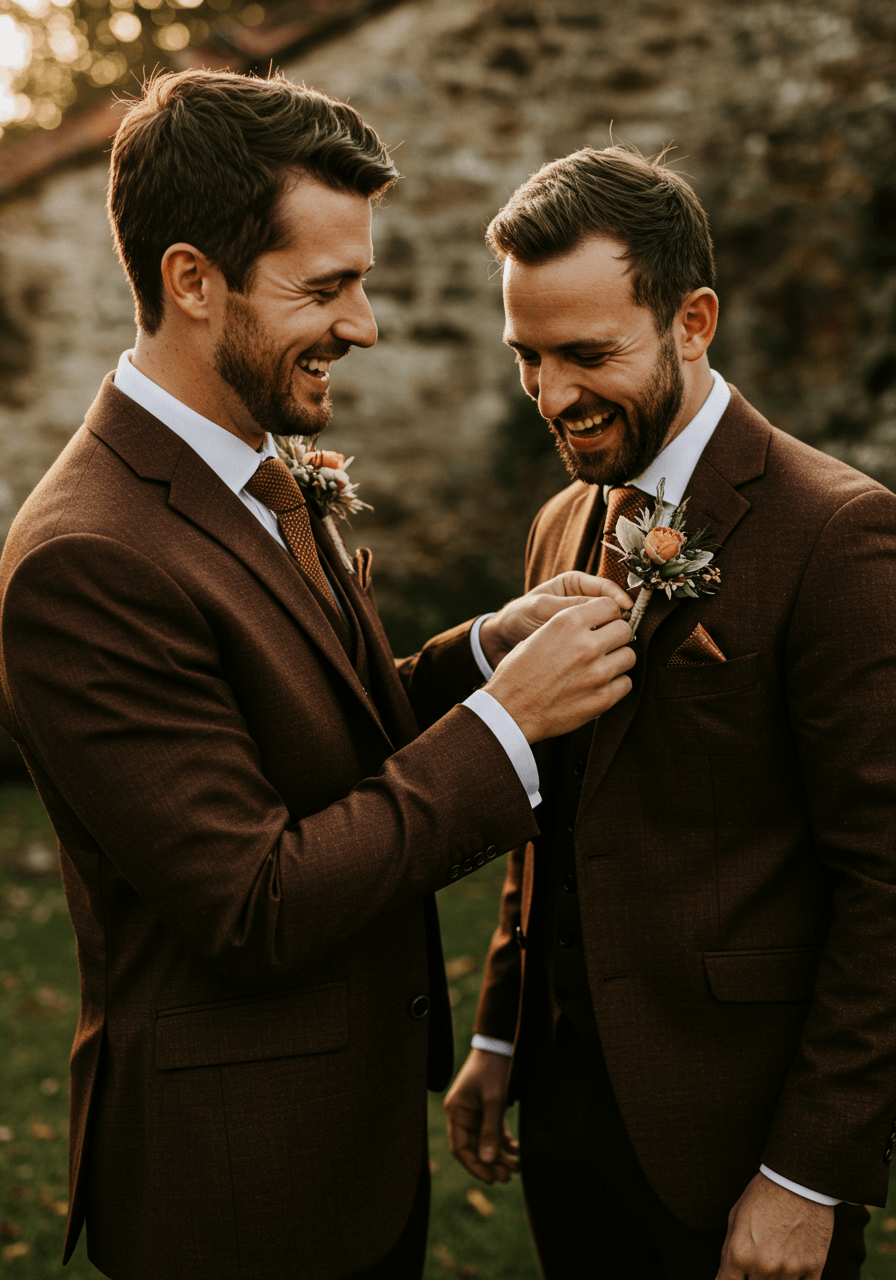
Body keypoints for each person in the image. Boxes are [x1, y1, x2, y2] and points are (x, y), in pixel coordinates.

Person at [0, 77, 636, 1280]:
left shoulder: (253, 464)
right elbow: (254, 900)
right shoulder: (88, 555)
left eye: (362, 281)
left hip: (342, 1141)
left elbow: (313, 731)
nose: (365, 325)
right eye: (326, 287)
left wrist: (484, 651)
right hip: (234, 1188)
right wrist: (507, 728)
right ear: (193, 280)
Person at [443, 144, 896, 1280]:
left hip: (734, 1140)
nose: (549, 395)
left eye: (585, 354)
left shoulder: (837, 535)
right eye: (525, 357)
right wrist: (499, 1028)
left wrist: (808, 1172)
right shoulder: (560, 523)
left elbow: (886, 882)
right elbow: (553, 809)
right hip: (565, 1111)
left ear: (691, 321)